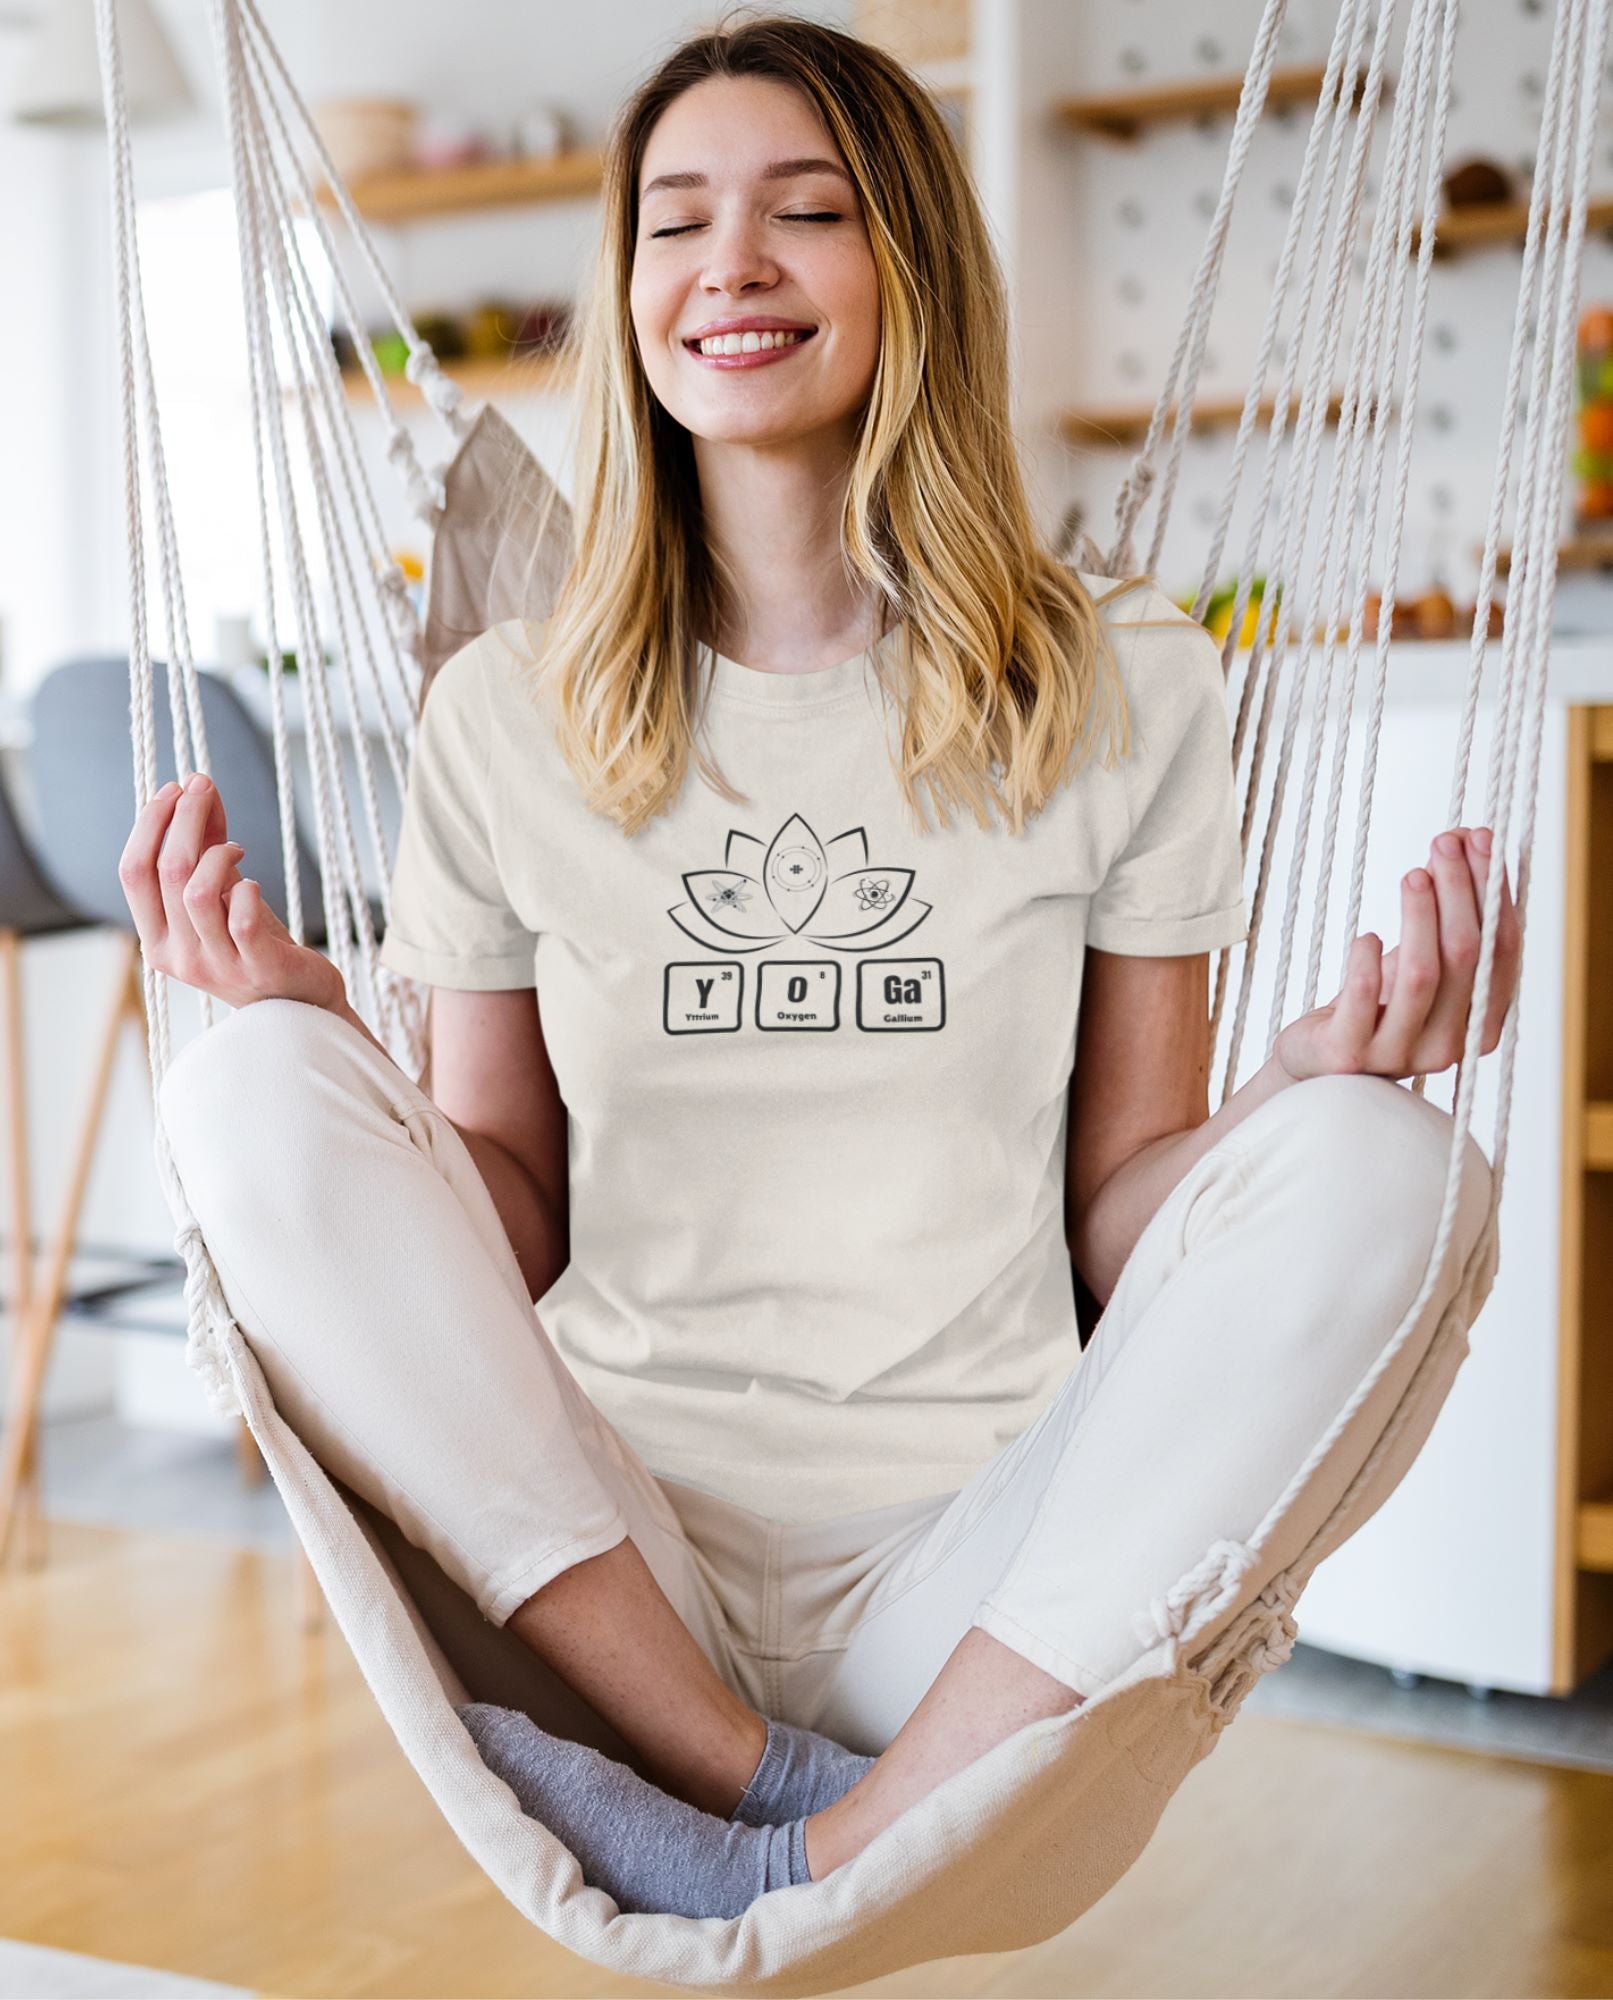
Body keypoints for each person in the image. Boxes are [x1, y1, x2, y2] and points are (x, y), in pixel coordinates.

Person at [120, 12, 1519, 1923]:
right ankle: (727, 1776)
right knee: (237, 1086)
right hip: (615, 1569)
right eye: (674, 222)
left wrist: (1301, 1097)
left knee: (1394, 1160)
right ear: (624, 296)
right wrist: (321, 1061)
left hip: (978, 1577)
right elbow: (505, 1217)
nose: (730, 268)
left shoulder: (1121, 682)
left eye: (805, 211)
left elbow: (1119, 1220)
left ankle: (834, 1842)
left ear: (912, 270)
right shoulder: (500, 722)